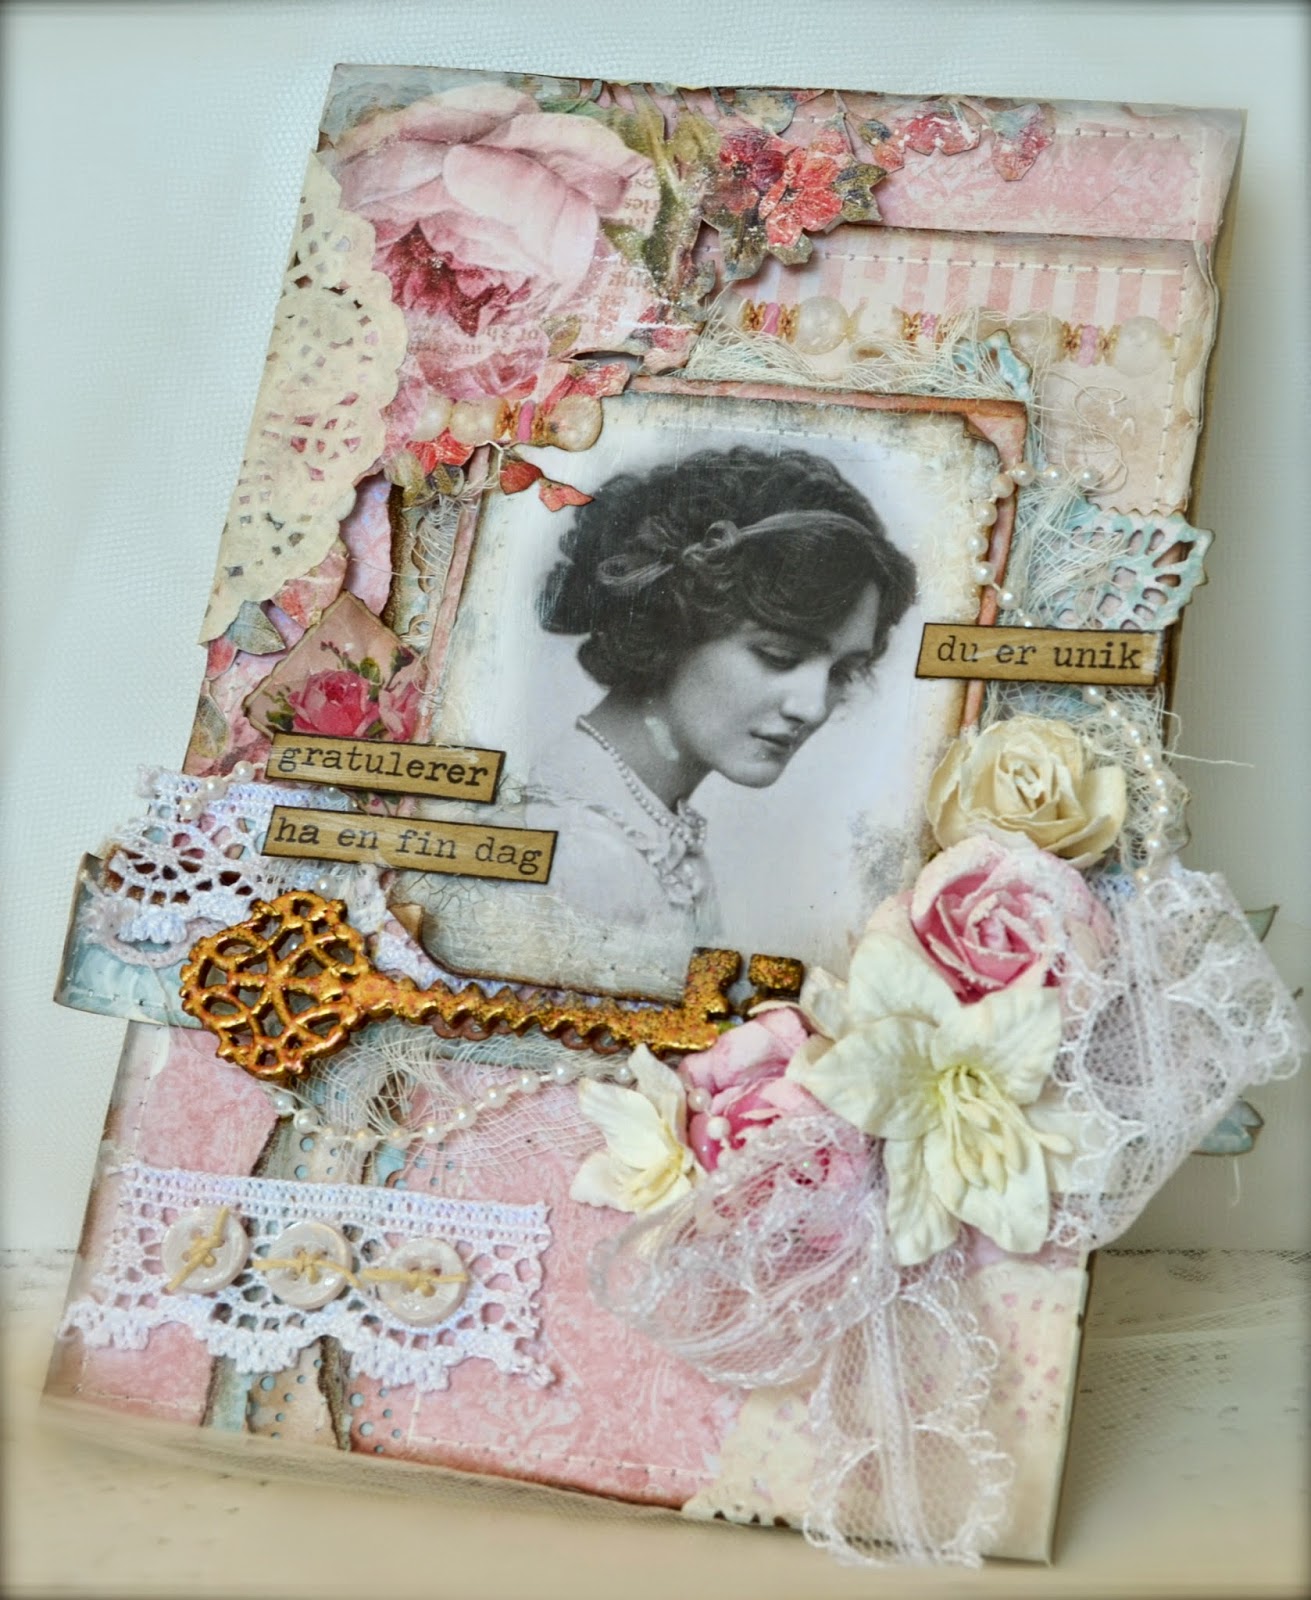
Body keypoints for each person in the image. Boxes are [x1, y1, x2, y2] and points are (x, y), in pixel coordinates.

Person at [526, 444, 917, 963]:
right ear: (673, 622)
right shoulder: (574, 855)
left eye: (841, 672)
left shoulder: (651, 836)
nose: (812, 708)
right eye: (780, 656)